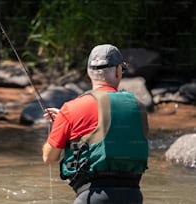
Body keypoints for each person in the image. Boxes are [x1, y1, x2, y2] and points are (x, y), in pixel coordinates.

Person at [42, 44, 149, 204]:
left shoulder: (71, 109)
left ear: (88, 72)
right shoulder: (139, 107)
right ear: (118, 71)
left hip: (92, 196)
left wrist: (63, 123)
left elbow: (49, 157)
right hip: (133, 196)